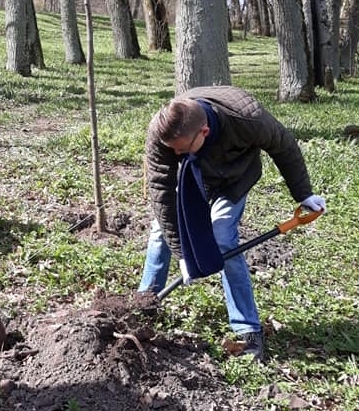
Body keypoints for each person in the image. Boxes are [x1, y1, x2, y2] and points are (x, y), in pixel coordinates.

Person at [138, 85, 326, 361]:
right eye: (172, 150)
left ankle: (248, 329)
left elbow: (284, 146)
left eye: (181, 150)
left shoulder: (248, 118)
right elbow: (160, 188)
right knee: (160, 232)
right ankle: (144, 304)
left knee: (224, 238)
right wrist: (182, 253)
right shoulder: (164, 130)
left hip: (233, 179)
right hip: (191, 179)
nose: (175, 154)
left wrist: (304, 194)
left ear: (204, 132)